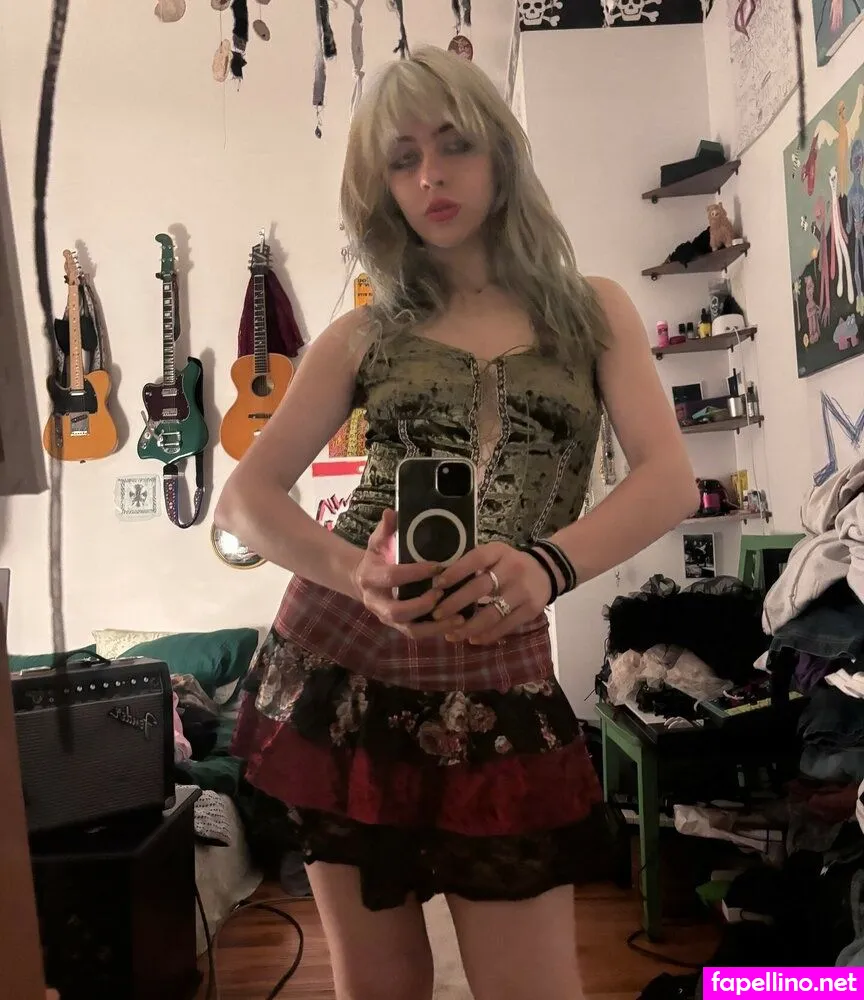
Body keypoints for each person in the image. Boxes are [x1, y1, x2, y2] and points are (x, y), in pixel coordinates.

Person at [216, 45, 698, 1000]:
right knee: (381, 989)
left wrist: (547, 565)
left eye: (454, 146)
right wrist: (356, 572)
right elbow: (245, 500)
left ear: (501, 154)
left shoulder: (594, 311)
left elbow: (669, 482)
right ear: (381, 185)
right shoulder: (363, 332)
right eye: (402, 159)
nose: (430, 177)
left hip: (499, 665)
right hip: (342, 658)